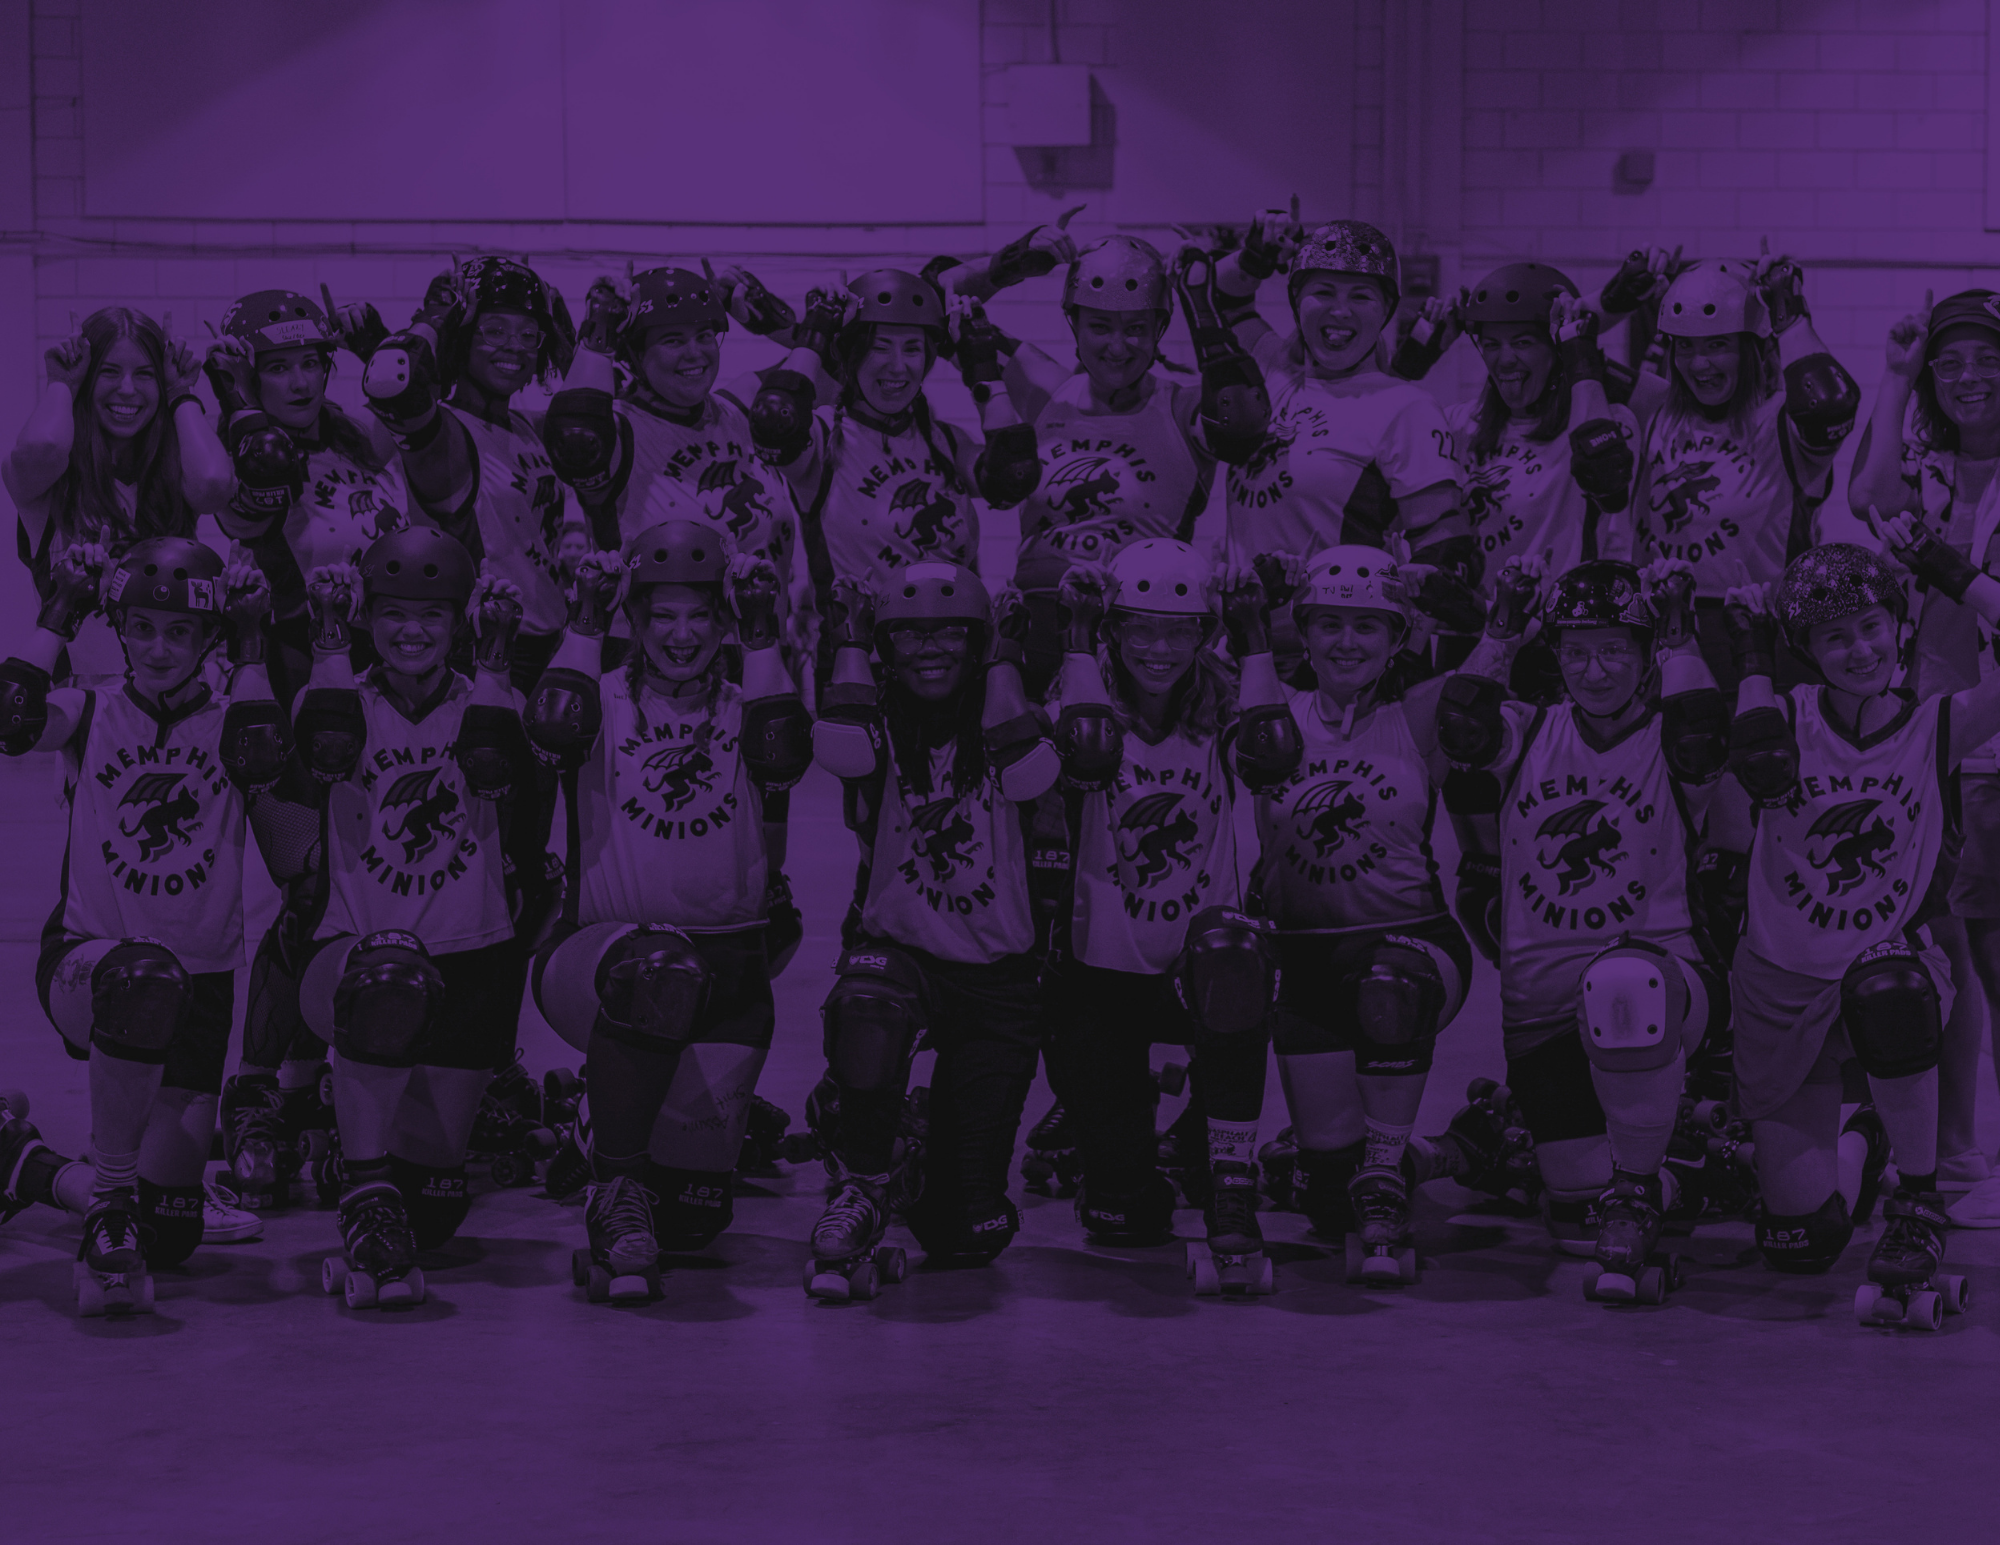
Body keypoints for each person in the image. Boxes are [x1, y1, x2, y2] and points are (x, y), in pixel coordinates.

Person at [522, 521, 811, 1303]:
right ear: (635, 622)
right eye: (660, 616)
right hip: (602, 956)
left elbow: (785, 753)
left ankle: (600, 1117)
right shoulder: (598, 699)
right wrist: (586, 614)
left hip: (729, 966)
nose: (681, 635)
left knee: (691, 1222)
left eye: (699, 616)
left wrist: (762, 628)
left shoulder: (752, 698)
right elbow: (549, 726)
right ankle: (612, 1186)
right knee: (660, 972)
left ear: (722, 622)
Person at [1711, 530, 2000, 1297]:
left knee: (1891, 988)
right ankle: (1865, 1137)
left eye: (1873, 625)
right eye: (1836, 637)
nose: (1861, 649)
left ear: (1900, 626)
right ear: (1807, 649)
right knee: (1802, 1241)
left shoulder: (1938, 724)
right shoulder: (1783, 720)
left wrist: (1953, 571)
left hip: (1886, 972)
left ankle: (1919, 1199)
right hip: (1782, 981)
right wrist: (1750, 661)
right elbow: (1732, 794)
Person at [3, 538, 284, 1310]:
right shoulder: (91, 709)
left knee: (172, 1233)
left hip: (203, 983)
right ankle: (111, 1204)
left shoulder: (234, 719)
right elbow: (9, 720)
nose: (159, 648)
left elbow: (265, 768)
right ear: (119, 629)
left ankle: (26, 1165)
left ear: (208, 641)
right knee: (142, 978)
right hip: (89, 964)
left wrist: (256, 641)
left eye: (180, 632)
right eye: (142, 628)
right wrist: (59, 607)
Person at [1445, 557, 1733, 1284]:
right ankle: (1695, 1170)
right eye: (1576, 650)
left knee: (1622, 979)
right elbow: (1463, 728)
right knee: (1575, 1226)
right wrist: (1503, 627)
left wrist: (1678, 630)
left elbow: (1703, 727)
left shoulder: (1673, 740)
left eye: (1614, 650)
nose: (1595, 670)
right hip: (1540, 1011)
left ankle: (1639, 1187)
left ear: (1643, 658)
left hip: (1663, 986)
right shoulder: (1529, 729)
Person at [274, 527, 537, 1308]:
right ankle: (359, 1179)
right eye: (391, 613)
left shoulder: (497, 704)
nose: (410, 631)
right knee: (391, 984)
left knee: (434, 1211)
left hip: (469, 958)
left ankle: (353, 1127)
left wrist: (498, 657)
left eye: (431, 615)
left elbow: (503, 779)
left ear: (460, 623)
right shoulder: (335, 702)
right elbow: (311, 780)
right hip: (360, 954)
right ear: (364, 617)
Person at [1251, 546, 1528, 1280]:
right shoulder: (1266, 709)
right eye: (1330, 624)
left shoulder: (1421, 714)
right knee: (1324, 1199)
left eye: (1367, 627)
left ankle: (1384, 1170)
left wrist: (1494, 608)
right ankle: (1456, 1149)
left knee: (1389, 990)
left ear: (1397, 637)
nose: (1346, 642)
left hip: (1411, 945)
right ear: (1302, 631)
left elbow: (1493, 668)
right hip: (1305, 956)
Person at [1039, 540, 1294, 1284]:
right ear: (1113, 628)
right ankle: (1143, 1149)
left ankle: (1231, 1186)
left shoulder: (1221, 700)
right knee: (1126, 1219)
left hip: (1199, 972)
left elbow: (1273, 758)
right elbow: (1086, 753)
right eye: (1139, 627)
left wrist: (1253, 638)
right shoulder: (1076, 693)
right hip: (1100, 975)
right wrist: (1078, 637)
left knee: (1234, 959)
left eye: (1179, 629)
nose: (1158, 648)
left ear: (1203, 631)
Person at [803, 560, 1058, 1296]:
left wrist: (1007, 657)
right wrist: (851, 636)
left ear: (980, 642)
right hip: (898, 957)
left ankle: (907, 1140)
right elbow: (840, 747)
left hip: (999, 978)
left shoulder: (1018, 723)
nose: (930, 650)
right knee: (867, 1010)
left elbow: (1028, 778)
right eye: (908, 636)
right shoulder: (875, 725)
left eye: (951, 633)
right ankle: (861, 1178)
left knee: (967, 1234)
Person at [957, 232, 1271, 697]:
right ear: (1074, 324)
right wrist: (1015, 260)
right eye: (1101, 326)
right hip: (1038, 622)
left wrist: (1197, 302)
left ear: (1159, 329)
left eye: (1137, 328)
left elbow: (1243, 423)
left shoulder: (1182, 407)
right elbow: (937, 301)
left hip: (1141, 632)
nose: (1119, 347)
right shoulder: (1045, 388)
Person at [1847, 289, 2000, 1211]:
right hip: (1933, 731)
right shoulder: (1931, 461)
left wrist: (1953, 570)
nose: (1970, 377)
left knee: (1987, 947)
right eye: (1954, 363)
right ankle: (1954, 1146)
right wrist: (1899, 373)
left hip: (1994, 739)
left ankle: (1961, 1147)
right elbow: (1868, 495)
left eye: (1986, 359)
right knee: (1946, 944)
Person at [1206, 217, 1480, 675]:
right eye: (1324, 292)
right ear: (1296, 302)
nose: (1340, 311)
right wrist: (1255, 254)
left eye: (1360, 296)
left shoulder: (1406, 406)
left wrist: (1404, 652)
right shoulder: (1271, 368)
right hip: (1242, 644)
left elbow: (1442, 554)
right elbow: (1221, 298)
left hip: (1333, 657)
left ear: (1385, 310)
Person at [747, 271, 1043, 686]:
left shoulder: (943, 440)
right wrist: (816, 333)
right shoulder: (822, 438)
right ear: (852, 354)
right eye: (880, 347)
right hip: (863, 664)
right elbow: (773, 420)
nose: (898, 366)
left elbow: (1014, 475)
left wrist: (983, 368)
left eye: (912, 349)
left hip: (954, 658)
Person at [539, 266, 813, 642]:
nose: (694, 353)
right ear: (634, 353)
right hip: (650, 659)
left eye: (704, 336)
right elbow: (576, 436)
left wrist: (778, 325)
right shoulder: (620, 429)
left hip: (757, 653)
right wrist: (600, 335)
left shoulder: (739, 407)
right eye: (672, 340)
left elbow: (839, 369)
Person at [1631, 255, 1860, 697]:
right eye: (1686, 346)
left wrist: (1787, 316)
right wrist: (1614, 298)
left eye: (1718, 344)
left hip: (1760, 630)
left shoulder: (1779, 420)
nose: (1699, 365)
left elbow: (1830, 401)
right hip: (1659, 626)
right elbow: (1570, 361)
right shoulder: (1654, 406)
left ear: (1751, 348)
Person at [358, 257, 577, 693]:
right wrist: (437, 317)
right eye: (494, 331)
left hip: (549, 642)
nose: (514, 346)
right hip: (480, 650)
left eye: (528, 334)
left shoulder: (528, 427)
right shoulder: (445, 429)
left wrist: (572, 343)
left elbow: (605, 416)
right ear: (463, 337)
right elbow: (392, 383)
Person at [204, 288, 410, 708]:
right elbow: (259, 475)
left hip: (390, 650)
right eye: (278, 367)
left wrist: (376, 345)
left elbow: (414, 405)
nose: (300, 384)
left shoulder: (352, 438)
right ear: (249, 374)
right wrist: (233, 393)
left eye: (311, 363)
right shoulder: (233, 460)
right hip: (299, 658)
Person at [5, 307, 234, 684]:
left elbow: (214, 484)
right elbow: (43, 445)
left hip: (178, 696)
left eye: (145, 374)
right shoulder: (49, 480)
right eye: (108, 372)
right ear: (87, 378)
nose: (127, 389)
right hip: (82, 702)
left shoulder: (173, 474)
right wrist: (62, 382)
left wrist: (181, 393)